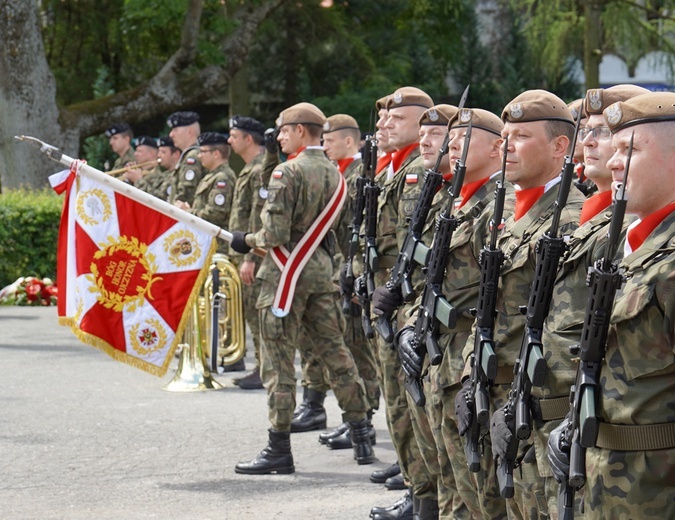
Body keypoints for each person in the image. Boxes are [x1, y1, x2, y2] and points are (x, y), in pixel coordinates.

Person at [455, 90, 584, 520]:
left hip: (533, 412)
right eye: (505, 135)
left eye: (522, 136)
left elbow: (564, 334)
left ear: (560, 147)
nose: (507, 145)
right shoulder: (510, 215)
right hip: (494, 396)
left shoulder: (569, 221)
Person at [548, 91, 675, 519]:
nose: (614, 162)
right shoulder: (626, 246)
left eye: (631, 150)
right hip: (606, 482)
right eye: (615, 148)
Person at [229, 102, 373, 475]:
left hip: (284, 277)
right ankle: (362, 434)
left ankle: (278, 448)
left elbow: (273, 235)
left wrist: (246, 240)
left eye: (283, 130)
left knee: (278, 364)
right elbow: (342, 237)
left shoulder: (286, 173)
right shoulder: (336, 175)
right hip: (322, 276)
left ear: (299, 131)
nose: (278, 136)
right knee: (336, 354)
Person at [530, 84, 649, 519]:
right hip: (558, 410)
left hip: (622, 443)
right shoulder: (587, 219)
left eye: (611, 135)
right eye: (591, 132)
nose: (594, 144)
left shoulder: (632, 233)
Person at [397, 107, 512, 519]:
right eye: (452, 137)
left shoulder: (499, 207)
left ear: (497, 147)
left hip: (468, 364)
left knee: (483, 496)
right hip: (439, 356)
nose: (451, 145)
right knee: (450, 481)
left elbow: (503, 303)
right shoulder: (455, 201)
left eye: (464, 137)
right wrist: (410, 326)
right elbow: (428, 280)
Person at [367, 86, 437, 520]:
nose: (383, 126)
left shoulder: (415, 173)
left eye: (394, 119)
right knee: (396, 401)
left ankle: (422, 494)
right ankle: (416, 487)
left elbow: (410, 248)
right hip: (385, 297)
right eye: (382, 120)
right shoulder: (393, 169)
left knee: (406, 401)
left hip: (402, 303)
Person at [302, 114, 380, 446]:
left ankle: (365, 417)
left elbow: (362, 231)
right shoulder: (339, 174)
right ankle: (355, 417)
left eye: (329, 141)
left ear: (349, 141)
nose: (324, 146)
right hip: (341, 270)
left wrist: (357, 274)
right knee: (348, 344)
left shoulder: (360, 174)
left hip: (353, 271)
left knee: (359, 350)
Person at [227, 115, 267, 388]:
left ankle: (265, 369)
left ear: (248, 139)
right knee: (253, 315)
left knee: (258, 315)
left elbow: (259, 217)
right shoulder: (250, 168)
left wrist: (250, 258)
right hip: (245, 251)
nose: (229, 141)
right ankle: (261, 366)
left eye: (233, 136)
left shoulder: (260, 169)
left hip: (255, 255)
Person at [174, 132, 236, 255]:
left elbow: (215, 213)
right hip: (206, 242)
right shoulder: (211, 176)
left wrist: (188, 212)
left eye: (203, 152)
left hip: (218, 245)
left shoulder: (222, 178)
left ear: (216, 154)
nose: (199, 155)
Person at [167, 111, 204, 205]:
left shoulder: (193, 157)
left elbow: (186, 195)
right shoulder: (189, 155)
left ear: (190, 132)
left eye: (175, 130)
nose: (171, 134)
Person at [155, 136, 181, 201]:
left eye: (163, 152)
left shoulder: (179, 176)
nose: (159, 155)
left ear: (176, 154)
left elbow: (158, 198)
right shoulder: (164, 174)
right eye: (159, 152)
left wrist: (138, 180)